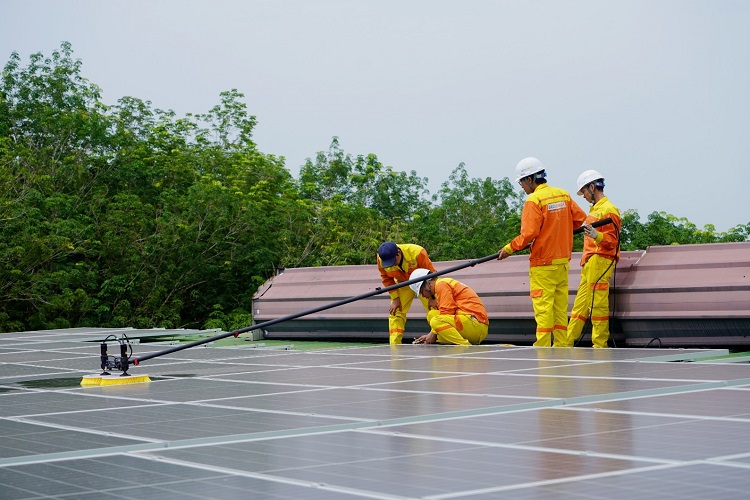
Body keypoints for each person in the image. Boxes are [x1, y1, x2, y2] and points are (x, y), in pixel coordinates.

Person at [498, 157, 587, 347]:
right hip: (562, 263)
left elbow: (529, 233)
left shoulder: (534, 200)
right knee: (560, 310)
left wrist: (508, 248)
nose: (522, 186)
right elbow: (580, 220)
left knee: (544, 310)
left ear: (530, 180)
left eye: (522, 181)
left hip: (542, 264)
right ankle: (562, 348)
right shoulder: (563, 195)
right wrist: (559, 229)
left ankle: (543, 351)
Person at [566, 170, 621, 348]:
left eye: (584, 192)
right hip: (590, 262)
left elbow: (613, 241)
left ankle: (600, 345)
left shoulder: (609, 210)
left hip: (601, 260)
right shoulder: (595, 210)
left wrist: (597, 236)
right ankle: (565, 343)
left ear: (592, 187)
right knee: (580, 306)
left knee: (597, 305)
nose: (584, 196)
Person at [377, 242, 437, 344]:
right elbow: (386, 279)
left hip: (423, 284)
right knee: (395, 312)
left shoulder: (417, 253)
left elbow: (432, 276)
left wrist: (432, 297)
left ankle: (436, 336)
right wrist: (395, 299)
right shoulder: (381, 258)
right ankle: (394, 345)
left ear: (398, 252)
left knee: (434, 308)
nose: (392, 264)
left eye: (393, 261)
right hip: (402, 284)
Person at [410, 268, 489, 345]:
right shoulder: (442, 283)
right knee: (432, 314)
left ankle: (464, 346)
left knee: (436, 320)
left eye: (421, 292)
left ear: (427, 285)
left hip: (476, 325)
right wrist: (430, 335)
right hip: (472, 324)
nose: (423, 296)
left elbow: (447, 312)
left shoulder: (441, 285)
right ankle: (442, 340)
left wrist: (432, 333)